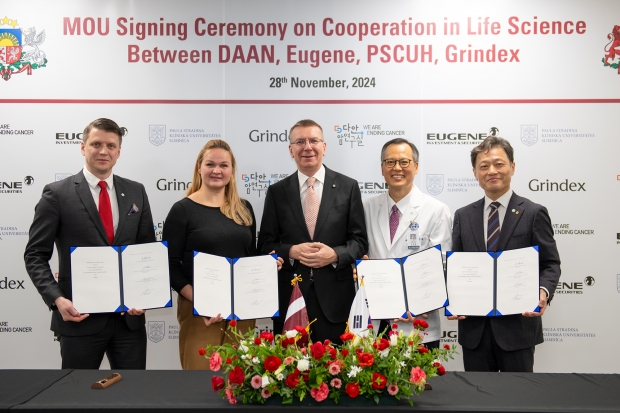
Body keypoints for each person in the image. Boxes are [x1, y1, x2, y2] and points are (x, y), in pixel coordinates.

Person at [24, 118, 155, 369]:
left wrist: (145, 296)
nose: (103, 151)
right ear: (83, 147)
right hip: (78, 318)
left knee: (133, 397)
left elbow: (146, 251)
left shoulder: (136, 191)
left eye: (111, 145)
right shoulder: (57, 194)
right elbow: (35, 255)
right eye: (96, 144)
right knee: (76, 397)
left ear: (119, 151)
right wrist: (57, 300)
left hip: (129, 322)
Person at [163, 139, 283, 370]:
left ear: (232, 170)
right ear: (199, 167)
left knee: (241, 380)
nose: (217, 170)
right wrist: (201, 300)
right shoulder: (182, 210)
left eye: (224, 165)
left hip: (242, 310)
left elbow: (249, 257)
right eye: (210, 164)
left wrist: (267, 265)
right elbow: (169, 266)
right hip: (199, 311)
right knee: (199, 385)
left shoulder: (244, 209)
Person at [449, 135, 561, 372]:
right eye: (484, 166)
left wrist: (543, 291)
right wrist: (453, 299)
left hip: (518, 329)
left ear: (512, 166)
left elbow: (550, 263)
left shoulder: (533, 213)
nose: (492, 171)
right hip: (474, 331)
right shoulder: (463, 215)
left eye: (499, 164)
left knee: (519, 400)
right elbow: (456, 267)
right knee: (477, 400)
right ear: (474, 172)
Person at [257, 119, 368, 345]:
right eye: (300, 141)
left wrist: (335, 255)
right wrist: (291, 251)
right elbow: (265, 244)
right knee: (289, 377)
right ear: (291, 150)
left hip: (336, 303)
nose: (307, 147)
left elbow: (359, 242)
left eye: (314, 140)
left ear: (324, 147)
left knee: (336, 374)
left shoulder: (348, 187)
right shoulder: (277, 192)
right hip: (290, 302)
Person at [362, 138, 452, 348]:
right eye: (390, 162)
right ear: (382, 168)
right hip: (376, 322)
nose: (397, 168)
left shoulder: (436, 210)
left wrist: (417, 302)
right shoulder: (366, 207)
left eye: (404, 162)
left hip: (418, 323)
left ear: (416, 166)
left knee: (418, 381)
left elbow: (442, 266)